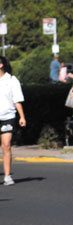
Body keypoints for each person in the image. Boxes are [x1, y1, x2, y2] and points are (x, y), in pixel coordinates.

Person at [0, 56, 26, 185]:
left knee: (6, 145)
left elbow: (17, 99)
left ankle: (7, 176)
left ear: (1, 65)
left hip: (7, 117)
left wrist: (22, 116)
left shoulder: (11, 80)